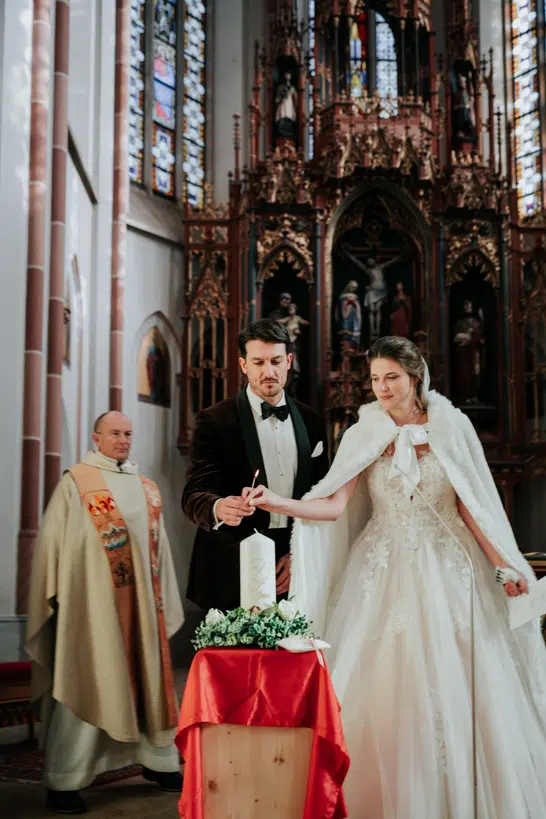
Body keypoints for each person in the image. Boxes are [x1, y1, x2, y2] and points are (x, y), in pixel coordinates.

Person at [244, 335, 546, 819]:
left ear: (415, 376)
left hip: (449, 567)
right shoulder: (365, 431)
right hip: (381, 568)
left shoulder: (451, 426)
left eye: (392, 378)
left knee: (460, 684)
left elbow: (472, 505)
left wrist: (501, 564)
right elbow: (333, 504)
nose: (382, 388)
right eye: (375, 379)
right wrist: (278, 503)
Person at [26, 411, 184, 815]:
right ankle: (65, 779)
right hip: (91, 607)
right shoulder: (77, 482)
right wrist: (58, 595)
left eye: (128, 433)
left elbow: (159, 549)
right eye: (114, 433)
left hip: (144, 609)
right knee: (88, 678)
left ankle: (158, 761)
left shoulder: (147, 488)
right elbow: (54, 542)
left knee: (148, 679)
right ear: (97, 437)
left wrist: (162, 599)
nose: (123, 440)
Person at [182, 318, 329, 612]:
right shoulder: (213, 421)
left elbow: (322, 494)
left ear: (289, 361)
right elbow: (194, 494)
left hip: (294, 564)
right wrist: (218, 507)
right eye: (258, 362)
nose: (269, 372)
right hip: (231, 563)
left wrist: (298, 554)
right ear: (243, 364)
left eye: (276, 361)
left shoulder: (312, 422)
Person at [452, 298, 484, 404]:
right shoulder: (460, 323)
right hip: (463, 354)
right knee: (464, 375)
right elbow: (455, 338)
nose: (467, 308)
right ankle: (464, 396)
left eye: (469, 305)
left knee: (476, 374)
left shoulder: (477, 323)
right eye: (465, 306)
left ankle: (474, 395)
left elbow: (481, 338)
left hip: (474, 352)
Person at [336, 280, 362, 348]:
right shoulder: (343, 297)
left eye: (355, 287)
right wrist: (347, 302)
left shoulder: (356, 297)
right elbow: (341, 309)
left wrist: (354, 303)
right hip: (346, 318)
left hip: (354, 318)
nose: (353, 288)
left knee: (354, 336)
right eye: (352, 286)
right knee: (346, 334)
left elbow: (358, 309)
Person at [275, 72, 298, 140]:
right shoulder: (280, 87)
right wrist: (283, 94)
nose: (287, 79)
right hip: (282, 105)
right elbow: (276, 100)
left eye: (288, 77)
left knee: (289, 120)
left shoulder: (292, 88)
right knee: (282, 119)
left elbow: (296, 99)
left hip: (289, 106)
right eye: (286, 77)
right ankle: (281, 134)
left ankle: (289, 134)